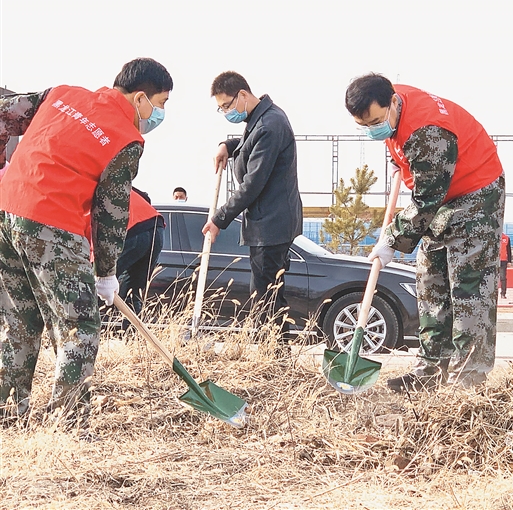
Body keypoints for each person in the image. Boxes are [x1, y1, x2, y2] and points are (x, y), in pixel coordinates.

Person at [0, 58, 173, 426]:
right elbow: (110, 214)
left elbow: (4, 112)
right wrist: (106, 272)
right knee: (81, 327)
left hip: (5, 210)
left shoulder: (61, 95)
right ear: (140, 98)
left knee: (21, 319)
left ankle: (6, 411)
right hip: (52, 223)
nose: (159, 113)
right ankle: (67, 422)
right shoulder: (126, 139)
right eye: (160, 104)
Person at [346, 73, 505, 392]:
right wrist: (401, 160)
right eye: (363, 126)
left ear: (392, 102)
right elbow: (420, 170)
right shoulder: (396, 103)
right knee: (431, 281)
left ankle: (469, 377)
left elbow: (426, 198)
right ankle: (431, 371)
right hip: (442, 195)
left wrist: (392, 239)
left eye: (375, 122)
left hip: (476, 193)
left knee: (468, 286)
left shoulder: (428, 131)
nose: (372, 130)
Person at [201, 72, 302, 340]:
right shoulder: (261, 119)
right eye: (221, 109)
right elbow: (249, 146)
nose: (225, 112)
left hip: (271, 224)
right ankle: (274, 354)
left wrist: (219, 218)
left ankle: (275, 356)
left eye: (226, 106)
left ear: (242, 95)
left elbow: (252, 184)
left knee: (266, 297)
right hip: (268, 222)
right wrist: (228, 145)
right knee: (268, 294)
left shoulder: (269, 125)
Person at [114, 188, 165, 325]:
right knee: (133, 292)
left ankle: (88, 336)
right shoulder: (119, 182)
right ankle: (131, 337)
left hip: (131, 230)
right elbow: (145, 197)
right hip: (155, 227)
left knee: (93, 286)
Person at [499, 232, 511, 299]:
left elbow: (509, 250)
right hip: (494, 261)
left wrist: (509, 261)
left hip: (503, 260)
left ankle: (503, 293)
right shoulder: (493, 237)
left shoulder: (506, 238)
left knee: (503, 277)